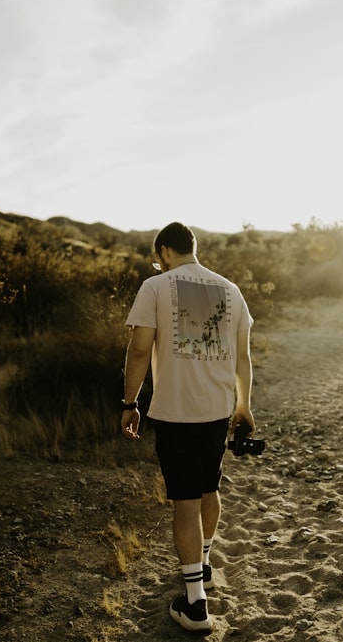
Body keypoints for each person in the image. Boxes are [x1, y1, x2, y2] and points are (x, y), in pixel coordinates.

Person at [120, 222, 255, 632]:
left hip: (176, 413)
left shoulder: (156, 286)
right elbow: (243, 358)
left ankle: (196, 604)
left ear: (164, 250)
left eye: (157, 256)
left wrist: (130, 403)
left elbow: (140, 348)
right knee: (208, 488)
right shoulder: (231, 290)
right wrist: (245, 405)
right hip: (217, 411)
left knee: (185, 502)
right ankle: (205, 565)